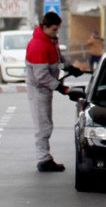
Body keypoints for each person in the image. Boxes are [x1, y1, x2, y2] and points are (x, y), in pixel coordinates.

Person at [25, 12, 81, 172]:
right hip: (39, 90)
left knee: (46, 123)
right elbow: (41, 76)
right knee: (43, 126)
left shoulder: (50, 41)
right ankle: (43, 159)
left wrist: (70, 67)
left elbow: (57, 61)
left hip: (45, 89)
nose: (56, 33)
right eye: (54, 30)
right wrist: (63, 89)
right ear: (45, 27)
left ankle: (45, 158)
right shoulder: (38, 46)